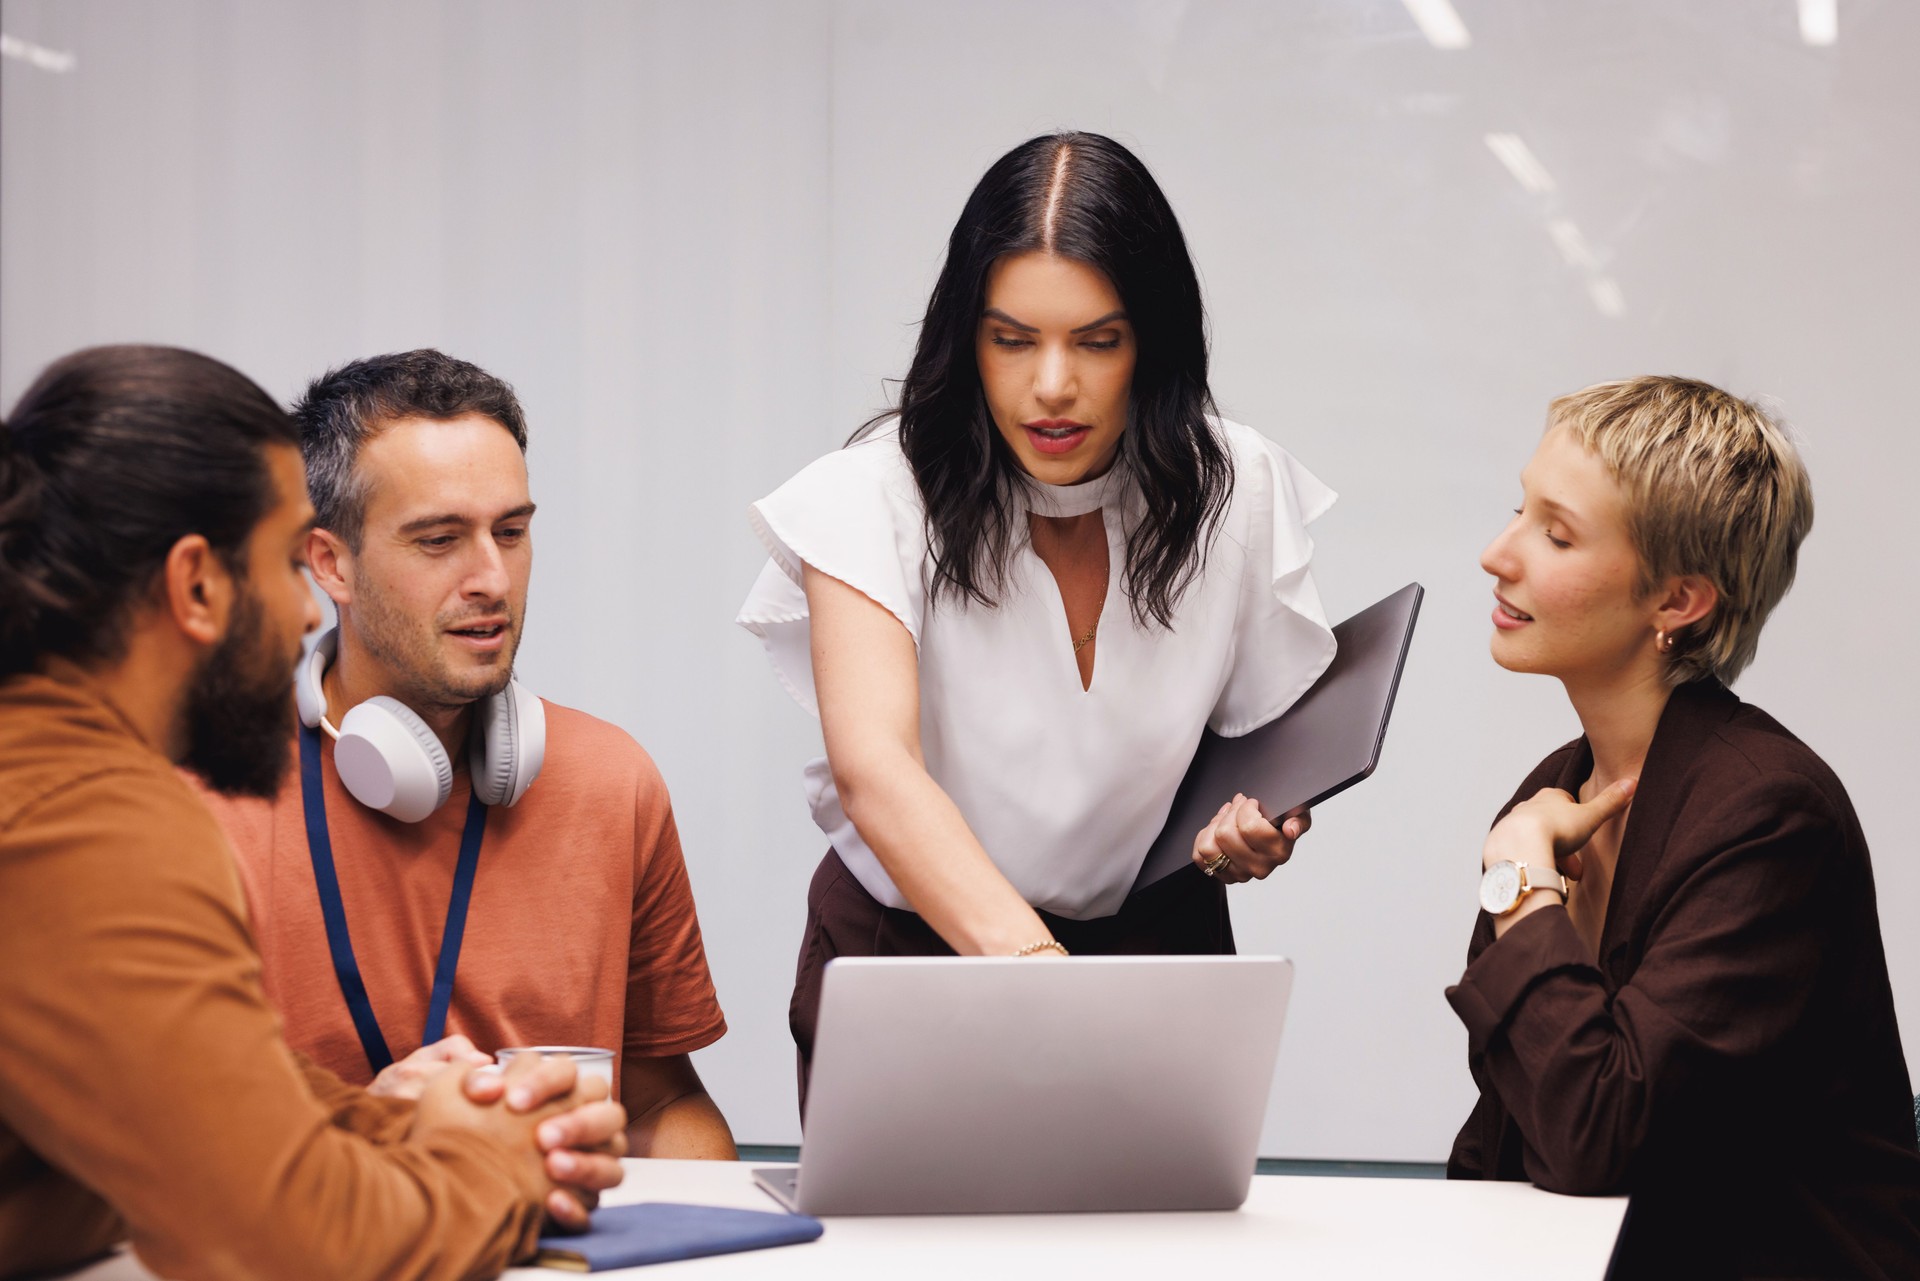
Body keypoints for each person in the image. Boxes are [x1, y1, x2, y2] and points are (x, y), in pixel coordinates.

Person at [0, 345, 628, 1280]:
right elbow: (286, 1242)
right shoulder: (90, 821)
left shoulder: (47, 780)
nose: (305, 615)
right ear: (197, 586)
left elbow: (207, 1102)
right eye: (285, 564)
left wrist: (427, 1119)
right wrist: (492, 1165)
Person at [737, 131, 1337, 1098]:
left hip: (1151, 951)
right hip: (915, 958)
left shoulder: (1237, 483)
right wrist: (1043, 982)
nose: (1052, 384)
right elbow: (875, 771)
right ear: (964, 338)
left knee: (1151, 1252)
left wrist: (1263, 823)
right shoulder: (867, 496)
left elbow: (1262, 742)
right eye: (1012, 339)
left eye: (1098, 341)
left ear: (1153, 341)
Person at [192, 349, 735, 1158]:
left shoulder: (611, 783)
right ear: (330, 562)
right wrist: (357, 1125)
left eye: (511, 532)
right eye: (440, 539)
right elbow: (150, 1137)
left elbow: (663, 1101)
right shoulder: (199, 792)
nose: (492, 578)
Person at [1447, 376, 1920, 1278]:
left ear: (1678, 602)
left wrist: (1519, 883)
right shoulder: (1558, 788)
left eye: (1556, 533)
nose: (1497, 554)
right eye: (1519, 510)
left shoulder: (1769, 814)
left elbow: (1597, 1138)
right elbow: (1508, 1126)